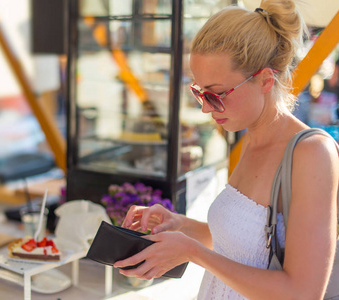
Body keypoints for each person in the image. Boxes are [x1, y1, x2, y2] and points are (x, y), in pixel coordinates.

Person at [114, 0, 339, 299]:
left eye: (217, 94)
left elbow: (302, 292)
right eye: (198, 92)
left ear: (265, 80)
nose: (206, 107)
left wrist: (194, 253)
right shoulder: (250, 137)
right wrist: (179, 225)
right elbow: (244, 244)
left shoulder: (311, 154)